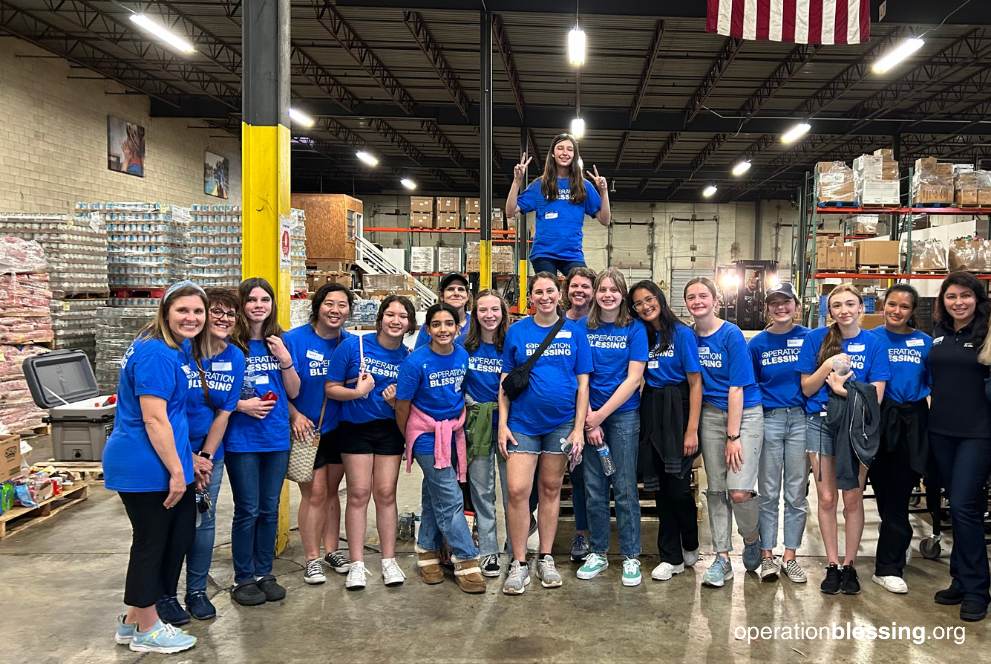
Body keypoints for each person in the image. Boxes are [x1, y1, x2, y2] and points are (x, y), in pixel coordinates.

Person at [104, 280, 208, 655]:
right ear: (165, 312)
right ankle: (148, 627)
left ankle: (134, 620)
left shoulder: (166, 347)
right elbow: (154, 419)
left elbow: (172, 418)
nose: (192, 317)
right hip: (145, 465)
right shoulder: (157, 354)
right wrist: (177, 472)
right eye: (183, 310)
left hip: (159, 460)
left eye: (198, 311)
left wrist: (188, 459)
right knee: (154, 543)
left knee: (170, 537)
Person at [498, 272, 593, 595]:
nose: (545, 297)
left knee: (551, 489)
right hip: (523, 424)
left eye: (550, 291)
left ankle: (546, 557)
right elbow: (506, 381)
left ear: (559, 294)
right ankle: (520, 562)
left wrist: (579, 428)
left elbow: (583, 384)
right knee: (517, 490)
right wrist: (503, 423)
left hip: (561, 424)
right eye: (538, 292)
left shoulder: (574, 333)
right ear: (531, 297)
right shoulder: (517, 332)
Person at [157, 288, 245, 624]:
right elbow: (161, 412)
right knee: (170, 522)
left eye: (230, 314)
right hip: (169, 450)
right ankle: (165, 594)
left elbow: (224, 412)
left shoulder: (235, 356)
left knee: (203, 521)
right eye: (217, 311)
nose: (223, 319)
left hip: (210, 453)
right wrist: (186, 457)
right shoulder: (178, 351)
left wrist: (206, 456)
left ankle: (196, 591)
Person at [796, 284, 889, 596]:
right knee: (826, 498)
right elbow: (807, 388)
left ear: (861, 307)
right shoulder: (815, 339)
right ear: (829, 311)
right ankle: (832, 564)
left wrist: (841, 391)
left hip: (856, 429)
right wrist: (829, 364)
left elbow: (875, 396)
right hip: (819, 423)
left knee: (852, 498)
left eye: (851, 304)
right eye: (837, 305)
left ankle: (850, 565)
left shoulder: (874, 343)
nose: (844, 310)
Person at [396, 303, 485, 594]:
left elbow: (458, 391)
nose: (443, 330)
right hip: (423, 434)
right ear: (427, 329)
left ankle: (426, 552)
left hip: (451, 431)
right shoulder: (415, 362)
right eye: (436, 325)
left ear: (458, 328)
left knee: (434, 493)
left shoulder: (461, 355)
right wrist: (409, 438)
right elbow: (403, 405)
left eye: (449, 324)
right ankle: (466, 557)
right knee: (449, 495)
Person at [327, 295, 415, 590]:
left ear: (410, 323)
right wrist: (357, 392)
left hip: (389, 430)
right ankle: (357, 563)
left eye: (402, 316)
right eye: (390, 314)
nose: (395, 320)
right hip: (355, 428)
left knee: (386, 493)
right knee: (358, 493)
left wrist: (394, 404)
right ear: (380, 318)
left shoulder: (409, 357)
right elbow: (330, 388)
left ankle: (389, 560)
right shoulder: (355, 346)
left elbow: (411, 405)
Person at [225, 277, 300, 606]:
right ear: (241, 305)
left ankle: (264, 573)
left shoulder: (279, 341)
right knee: (248, 509)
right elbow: (213, 391)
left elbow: (294, 390)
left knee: (269, 509)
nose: (258, 305)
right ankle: (243, 578)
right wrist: (241, 405)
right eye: (251, 299)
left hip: (275, 437)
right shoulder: (229, 344)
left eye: (264, 299)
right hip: (241, 439)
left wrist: (284, 357)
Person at [685, 277, 764, 589]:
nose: (697, 301)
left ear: (715, 301)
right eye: (691, 297)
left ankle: (752, 538)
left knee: (739, 490)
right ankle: (721, 558)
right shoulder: (689, 336)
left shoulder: (730, 334)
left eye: (703, 295)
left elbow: (736, 387)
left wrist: (733, 436)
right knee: (717, 490)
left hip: (743, 414)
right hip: (709, 415)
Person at [575, 269, 648, 586]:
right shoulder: (581, 327)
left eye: (613, 289)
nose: (607, 294)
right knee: (594, 488)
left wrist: (600, 416)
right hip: (588, 415)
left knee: (624, 486)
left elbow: (634, 379)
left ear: (622, 294)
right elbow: (580, 376)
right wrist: (588, 418)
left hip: (622, 416)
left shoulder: (635, 330)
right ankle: (600, 552)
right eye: (602, 289)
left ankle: (631, 555)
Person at [629, 280, 702, 583]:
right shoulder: (641, 334)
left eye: (649, 299)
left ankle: (690, 539)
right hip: (652, 406)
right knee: (658, 486)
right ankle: (670, 556)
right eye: (638, 304)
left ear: (659, 298)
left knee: (679, 487)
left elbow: (696, 383)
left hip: (679, 406)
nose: (645, 306)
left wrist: (691, 430)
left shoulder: (682, 334)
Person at [928, 272, 991, 622]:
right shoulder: (939, 334)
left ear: (976, 298)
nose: (958, 303)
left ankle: (978, 589)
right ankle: (960, 578)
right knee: (960, 504)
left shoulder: (986, 333)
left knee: (965, 506)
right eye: (951, 297)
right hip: (942, 431)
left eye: (965, 296)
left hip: (977, 433)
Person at [284, 284, 354, 587]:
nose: (335, 310)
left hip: (339, 428)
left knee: (332, 493)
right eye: (329, 303)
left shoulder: (350, 343)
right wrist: (295, 415)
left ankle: (332, 550)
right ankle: (312, 558)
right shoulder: (294, 340)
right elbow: (278, 386)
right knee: (314, 494)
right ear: (318, 306)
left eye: (342, 304)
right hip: (305, 431)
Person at [869, 284, 931, 595]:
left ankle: (890, 558)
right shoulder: (872, 339)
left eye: (904, 307)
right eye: (892, 304)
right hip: (881, 419)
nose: (897, 311)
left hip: (914, 421)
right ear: (883, 305)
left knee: (902, 490)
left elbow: (934, 384)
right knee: (886, 493)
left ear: (912, 311)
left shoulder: (925, 342)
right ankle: (891, 553)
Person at [747, 283, 810, 584]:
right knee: (769, 492)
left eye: (786, 302)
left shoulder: (810, 338)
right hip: (769, 420)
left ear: (796, 306)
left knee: (796, 493)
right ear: (767, 308)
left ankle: (791, 557)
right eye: (774, 303)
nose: (780, 308)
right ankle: (767, 556)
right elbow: (750, 385)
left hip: (801, 420)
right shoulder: (757, 344)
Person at [505, 133, 610, 276]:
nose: (565, 153)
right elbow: (510, 211)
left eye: (569, 149)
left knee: (585, 286)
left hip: (572, 254)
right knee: (548, 290)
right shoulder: (540, 185)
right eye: (560, 148)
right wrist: (517, 181)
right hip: (544, 253)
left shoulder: (583, 186)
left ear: (574, 155)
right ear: (553, 154)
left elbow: (605, 220)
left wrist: (603, 192)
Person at [463, 289, 511, 577]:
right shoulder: (464, 345)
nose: (490, 315)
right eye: (483, 310)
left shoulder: (511, 344)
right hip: (476, 426)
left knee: (513, 490)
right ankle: (488, 550)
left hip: (509, 425)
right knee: (482, 490)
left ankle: (515, 547)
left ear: (503, 312)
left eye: (495, 309)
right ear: (474, 313)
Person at [563, 266, 596, 563]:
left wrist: (591, 416)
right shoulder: (556, 323)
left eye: (586, 286)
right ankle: (582, 533)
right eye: (575, 286)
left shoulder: (598, 323)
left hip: (595, 411)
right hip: (564, 412)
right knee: (576, 476)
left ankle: (588, 534)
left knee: (588, 476)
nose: (580, 291)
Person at [414, 273, 471, 348]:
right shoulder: (429, 326)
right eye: (450, 289)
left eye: (461, 289)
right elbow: (418, 355)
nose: (456, 293)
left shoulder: (475, 324)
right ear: (441, 296)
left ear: (467, 296)